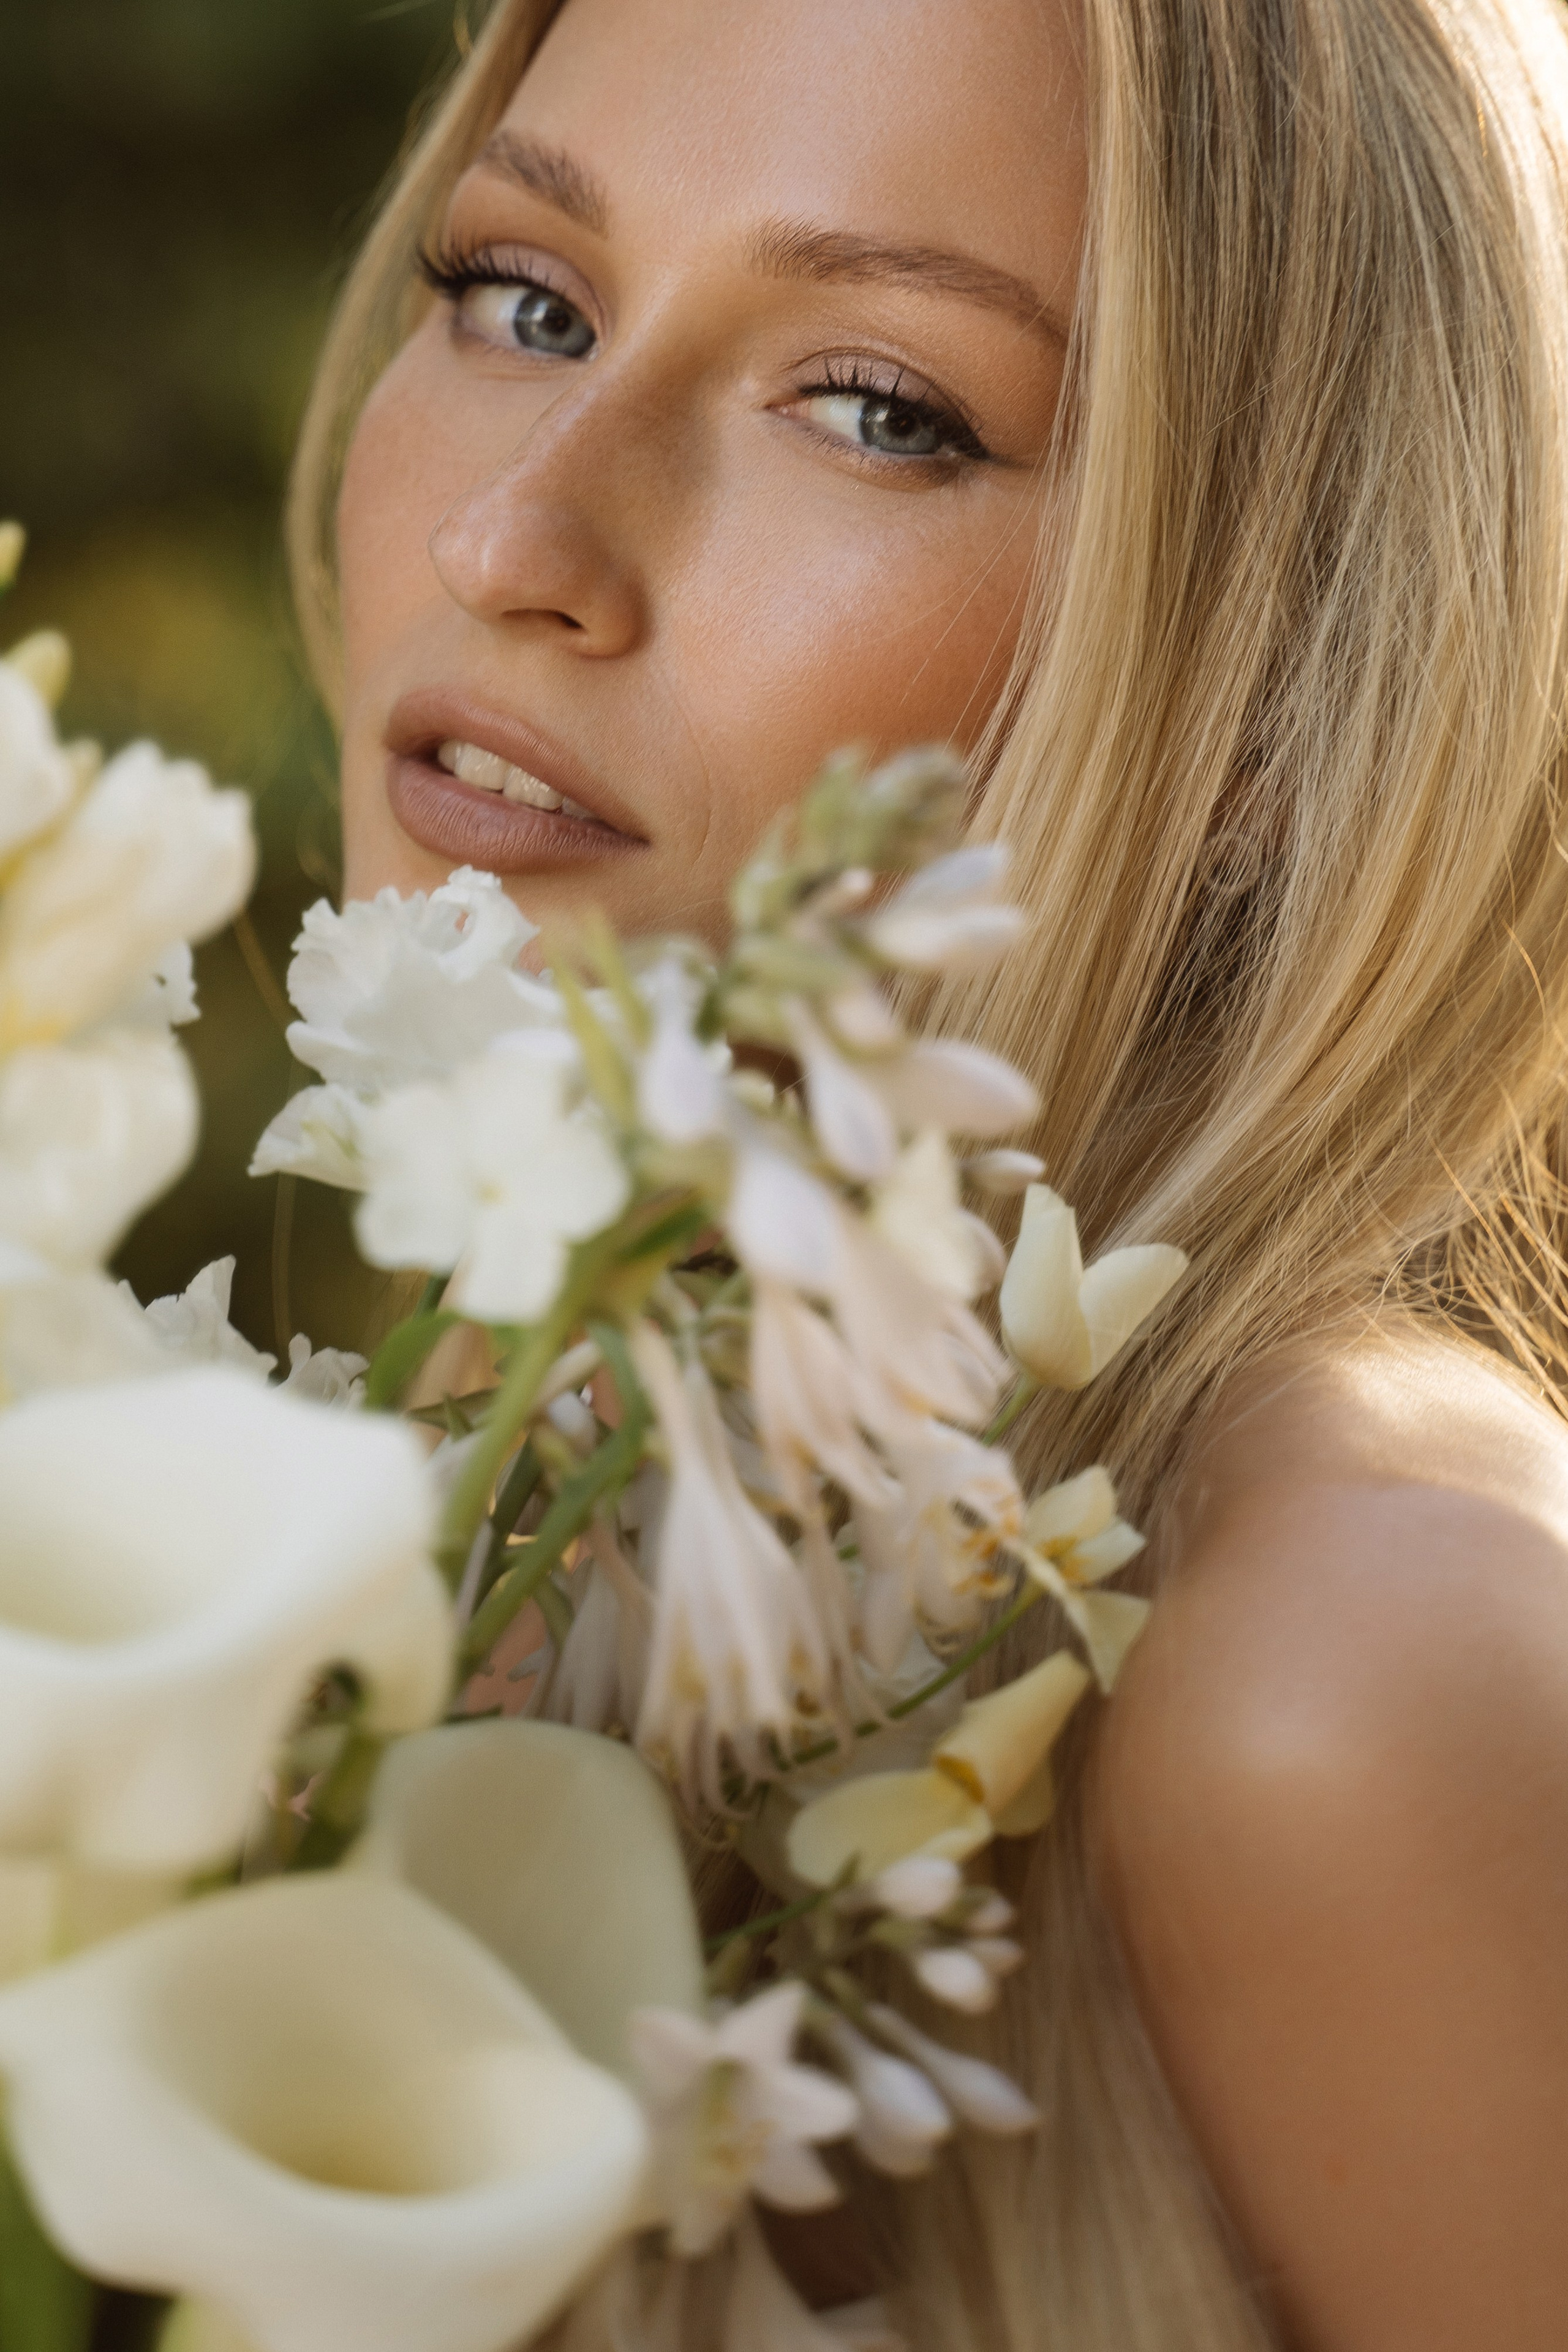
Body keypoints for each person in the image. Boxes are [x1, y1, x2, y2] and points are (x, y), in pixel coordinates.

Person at [285, 1, 1568, 2344]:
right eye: (521, 301)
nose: (513, 534)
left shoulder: (1355, 1663)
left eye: (878, 409)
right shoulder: (493, 1454)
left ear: (1292, 678)